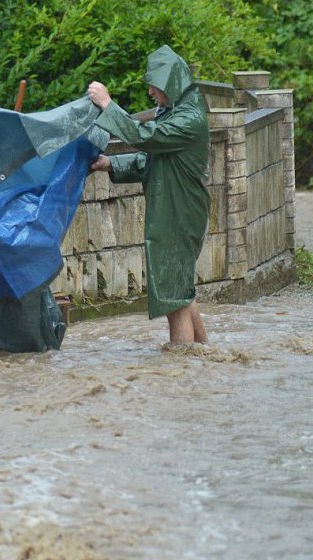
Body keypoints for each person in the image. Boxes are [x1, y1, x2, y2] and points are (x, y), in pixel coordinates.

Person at [87, 45, 210, 345]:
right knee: (180, 289)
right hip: (179, 210)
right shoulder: (178, 110)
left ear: (171, 84)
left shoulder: (188, 119)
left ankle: (180, 371)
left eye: (155, 87)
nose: (151, 93)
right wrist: (109, 164)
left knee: (173, 299)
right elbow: (152, 161)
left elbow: (145, 138)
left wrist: (107, 105)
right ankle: (205, 357)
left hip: (179, 214)